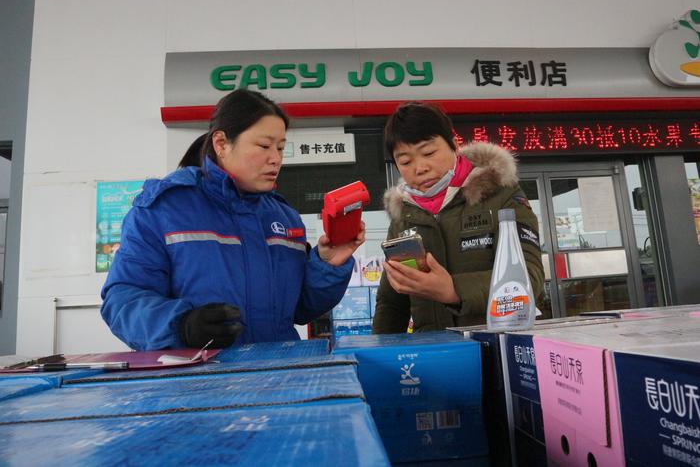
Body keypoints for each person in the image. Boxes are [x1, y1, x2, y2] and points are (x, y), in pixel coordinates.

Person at [101, 89, 365, 350]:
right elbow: (122, 299)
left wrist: (327, 265)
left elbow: (300, 309)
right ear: (221, 144)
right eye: (263, 146)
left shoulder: (284, 218)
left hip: (283, 377)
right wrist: (182, 325)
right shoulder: (163, 209)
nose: (276, 159)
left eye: (281, 148)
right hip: (197, 384)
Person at [372, 102, 544, 334]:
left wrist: (453, 290)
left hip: (498, 348)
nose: (420, 167)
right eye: (405, 161)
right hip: (435, 355)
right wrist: (379, 358)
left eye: (429, 153)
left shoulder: (502, 195)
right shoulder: (404, 216)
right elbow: (392, 303)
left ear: (454, 144)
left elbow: (530, 280)